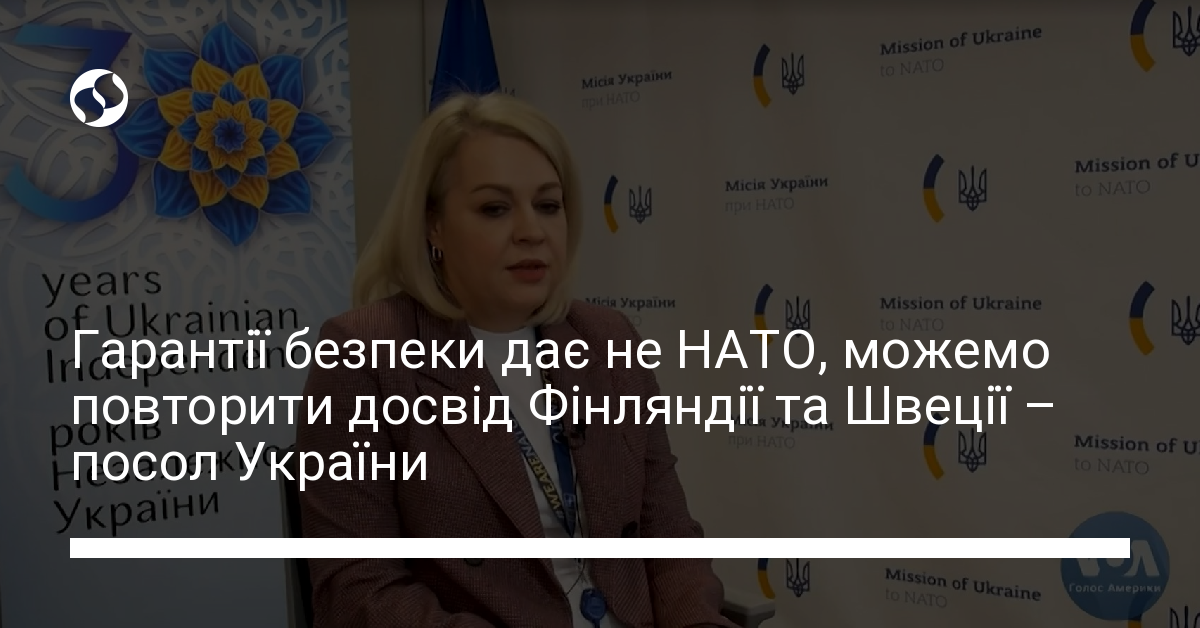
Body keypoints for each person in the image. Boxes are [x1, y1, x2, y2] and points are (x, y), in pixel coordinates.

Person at [297, 92, 735, 628]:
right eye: (495, 209)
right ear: (433, 224)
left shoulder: (607, 338)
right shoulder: (364, 353)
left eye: (548, 205)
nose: (532, 231)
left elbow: (668, 537)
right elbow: (356, 588)